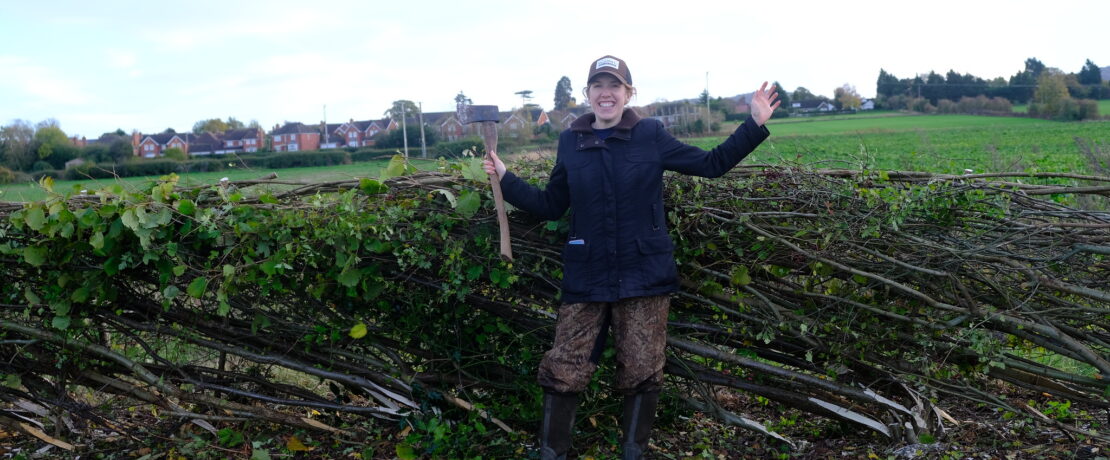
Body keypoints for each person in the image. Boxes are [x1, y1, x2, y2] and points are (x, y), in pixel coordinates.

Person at [483, 55, 779, 460]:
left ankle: (633, 453)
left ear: (628, 93)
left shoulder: (650, 135)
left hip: (644, 273)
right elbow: (552, 204)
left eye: (615, 86)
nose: (607, 94)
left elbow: (712, 165)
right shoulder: (571, 141)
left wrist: (754, 123)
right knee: (564, 366)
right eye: (599, 86)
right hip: (586, 273)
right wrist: (506, 177)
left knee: (642, 369)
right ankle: (552, 453)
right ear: (587, 94)